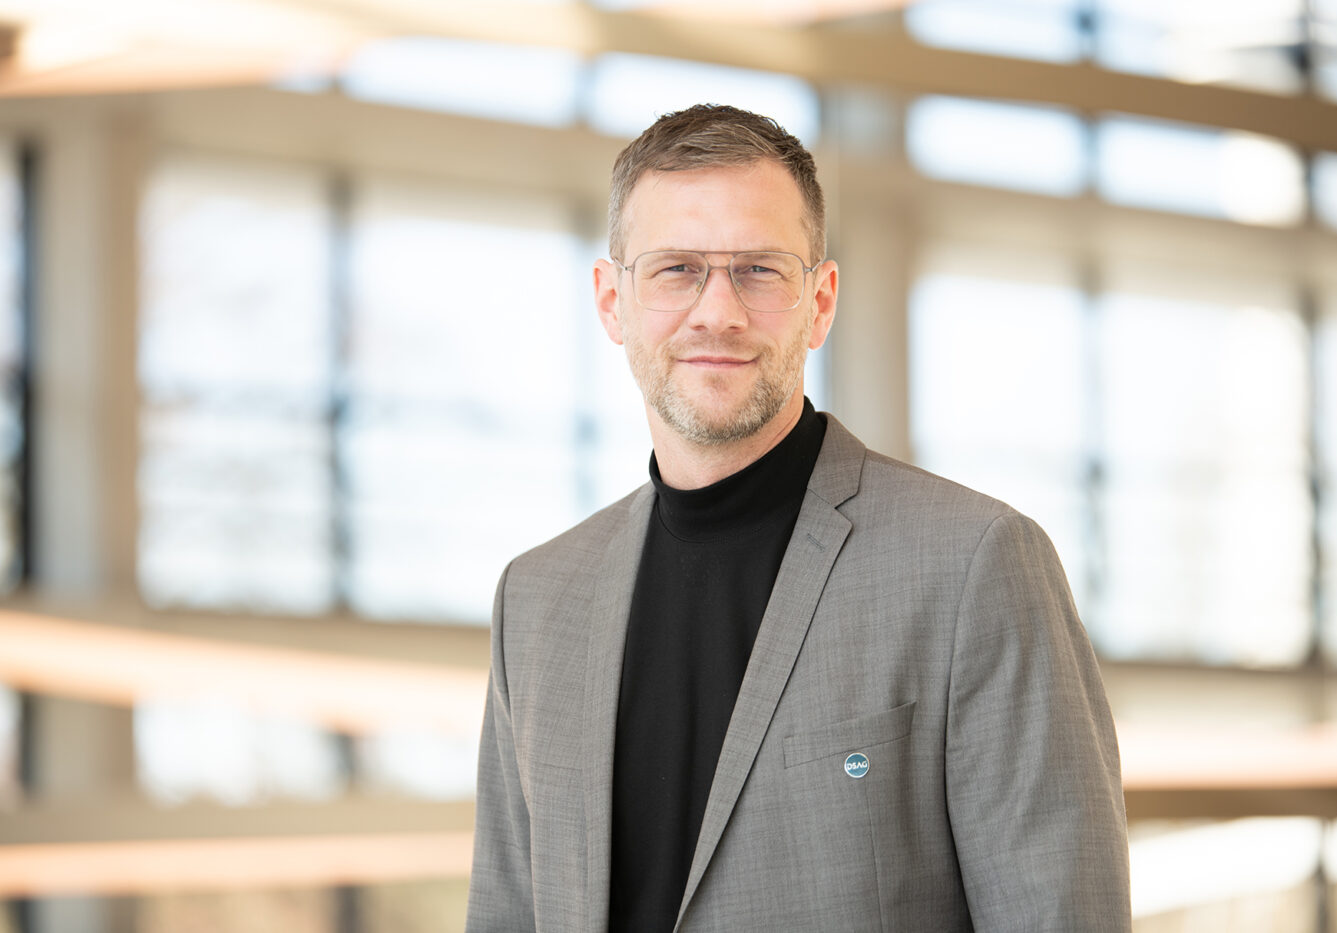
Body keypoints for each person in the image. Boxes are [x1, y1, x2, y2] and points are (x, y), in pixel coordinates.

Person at [466, 104, 1131, 932]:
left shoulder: (975, 567)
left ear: (820, 302)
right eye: (676, 269)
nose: (718, 311)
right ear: (613, 301)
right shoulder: (535, 602)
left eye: (759, 270)